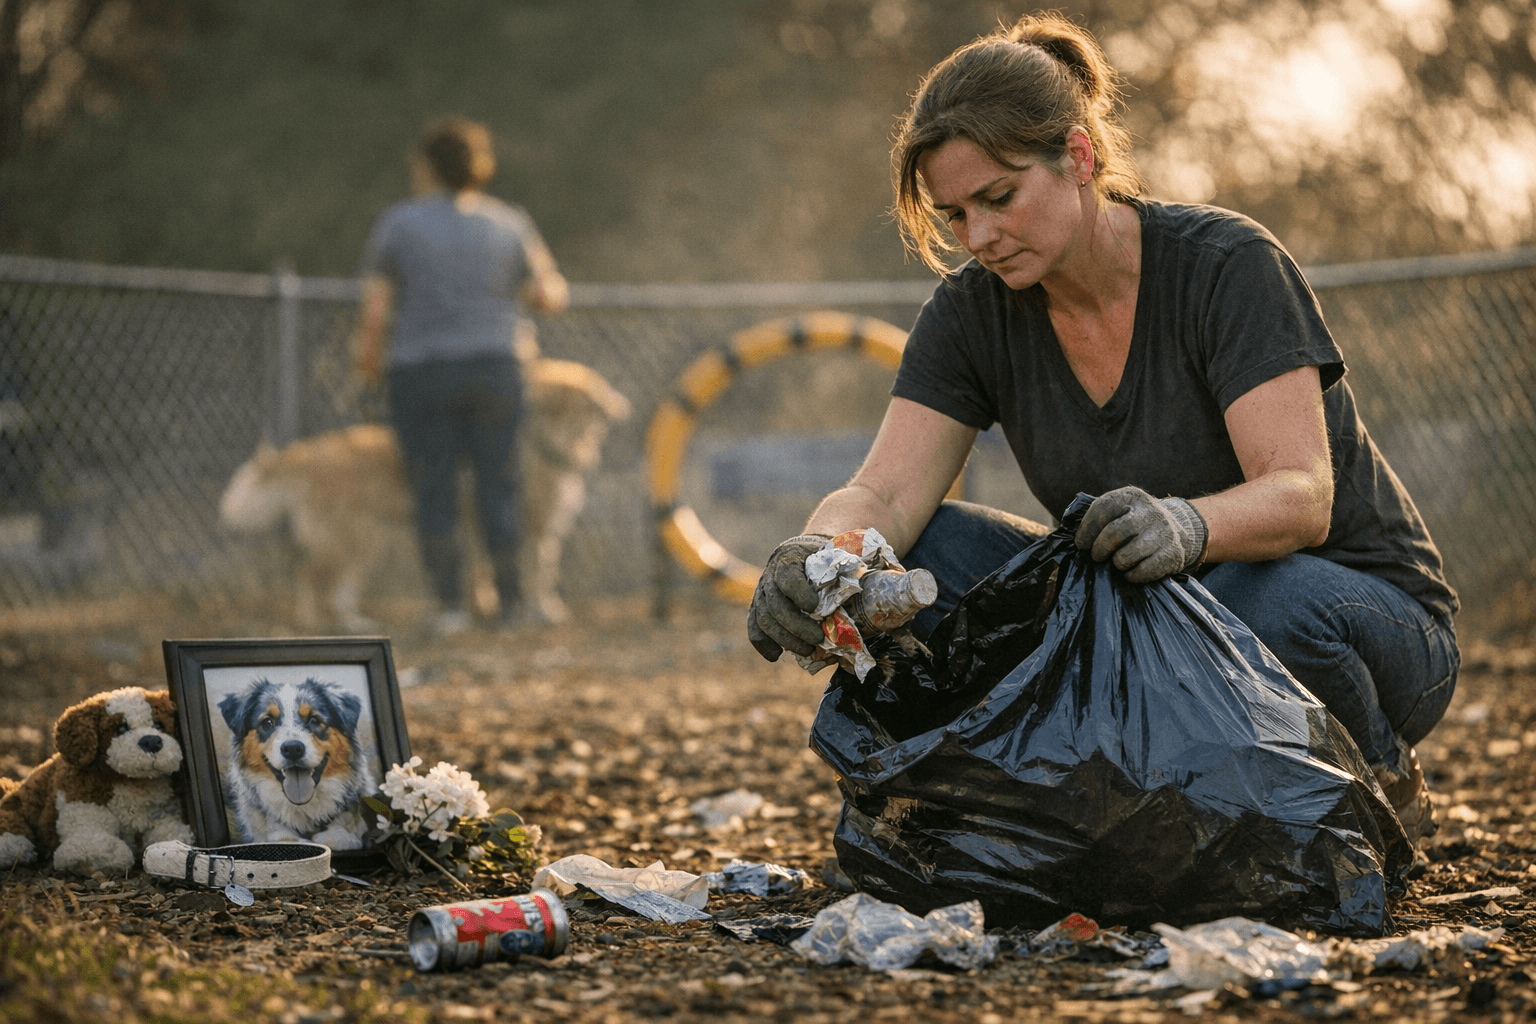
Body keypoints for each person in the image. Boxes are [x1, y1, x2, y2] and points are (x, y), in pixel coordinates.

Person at [746, 13, 1459, 843]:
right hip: (1154, 616)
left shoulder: (1227, 265)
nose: (980, 237)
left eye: (999, 199)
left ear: (1079, 158)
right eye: (955, 218)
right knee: (924, 552)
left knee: (1254, 594)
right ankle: (987, 815)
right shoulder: (973, 311)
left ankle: (1375, 778)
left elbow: (1301, 497)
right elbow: (885, 489)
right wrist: (816, 553)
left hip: (1363, 624)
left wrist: (1187, 524)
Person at [354, 116, 569, 633]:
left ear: (425, 167)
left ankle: (450, 607)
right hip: (496, 369)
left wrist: (366, 368)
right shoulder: (509, 223)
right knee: (500, 486)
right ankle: (512, 603)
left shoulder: (399, 224)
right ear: (480, 167)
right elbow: (547, 295)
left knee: (434, 489)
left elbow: (376, 310)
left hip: (421, 373)